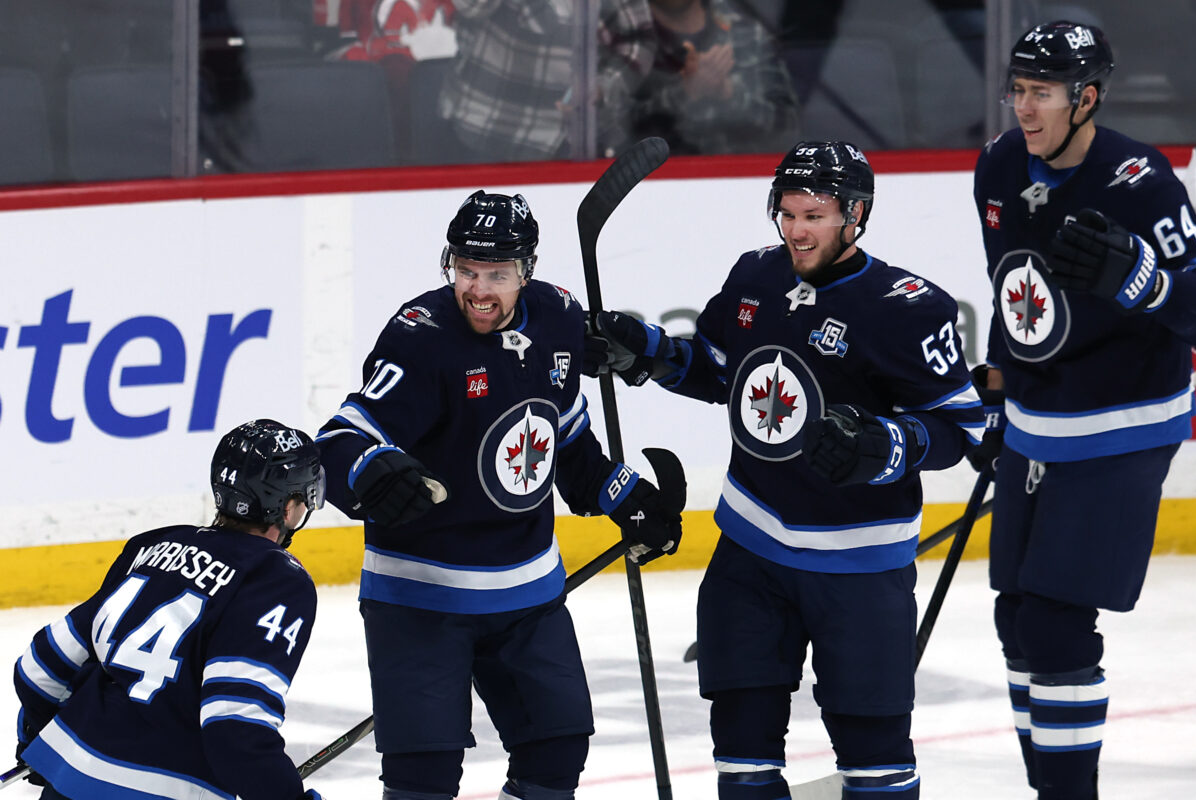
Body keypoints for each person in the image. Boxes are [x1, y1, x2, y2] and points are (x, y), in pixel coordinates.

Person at [585, 141, 983, 799]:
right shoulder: (757, 276)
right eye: (789, 213)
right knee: (742, 755)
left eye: (815, 216)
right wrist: (646, 354)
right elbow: (717, 370)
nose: (797, 231)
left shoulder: (906, 308)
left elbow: (963, 430)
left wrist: (882, 446)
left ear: (856, 215)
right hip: (751, 556)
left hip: (857, 569)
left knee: (875, 759)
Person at [314, 189, 684, 800]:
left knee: (556, 749)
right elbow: (343, 435)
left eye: (497, 274)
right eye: (465, 270)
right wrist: (372, 470)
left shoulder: (560, 318)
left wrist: (628, 498)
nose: (478, 290)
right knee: (423, 781)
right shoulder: (422, 335)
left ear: (527, 270)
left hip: (527, 597)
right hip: (422, 597)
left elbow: (567, 445)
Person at [971, 20, 1196, 799]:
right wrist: (999, 391)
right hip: (1038, 418)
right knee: (1016, 620)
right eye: (1019, 91)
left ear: (1087, 98)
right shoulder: (1000, 164)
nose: (1024, 109)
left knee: (1056, 626)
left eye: (1042, 94)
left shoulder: (1142, 181)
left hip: (1124, 423)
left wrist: (1146, 284)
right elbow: (1010, 290)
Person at [13, 419, 327, 800]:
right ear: (290, 507)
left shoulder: (152, 546)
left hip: (67, 782)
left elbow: (38, 667)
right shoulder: (274, 579)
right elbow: (235, 729)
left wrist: (40, 739)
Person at [438, 0, 655, 162]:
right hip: (488, 131)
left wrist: (602, 86)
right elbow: (472, 6)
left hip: (577, 144)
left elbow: (638, 41)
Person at [627, 0, 800, 155]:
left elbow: (788, 129)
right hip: (660, 184)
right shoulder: (625, 43)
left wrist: (728, 93)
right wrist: (685, 93)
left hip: (748, 180)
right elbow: (616, 138)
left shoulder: (747, 32)